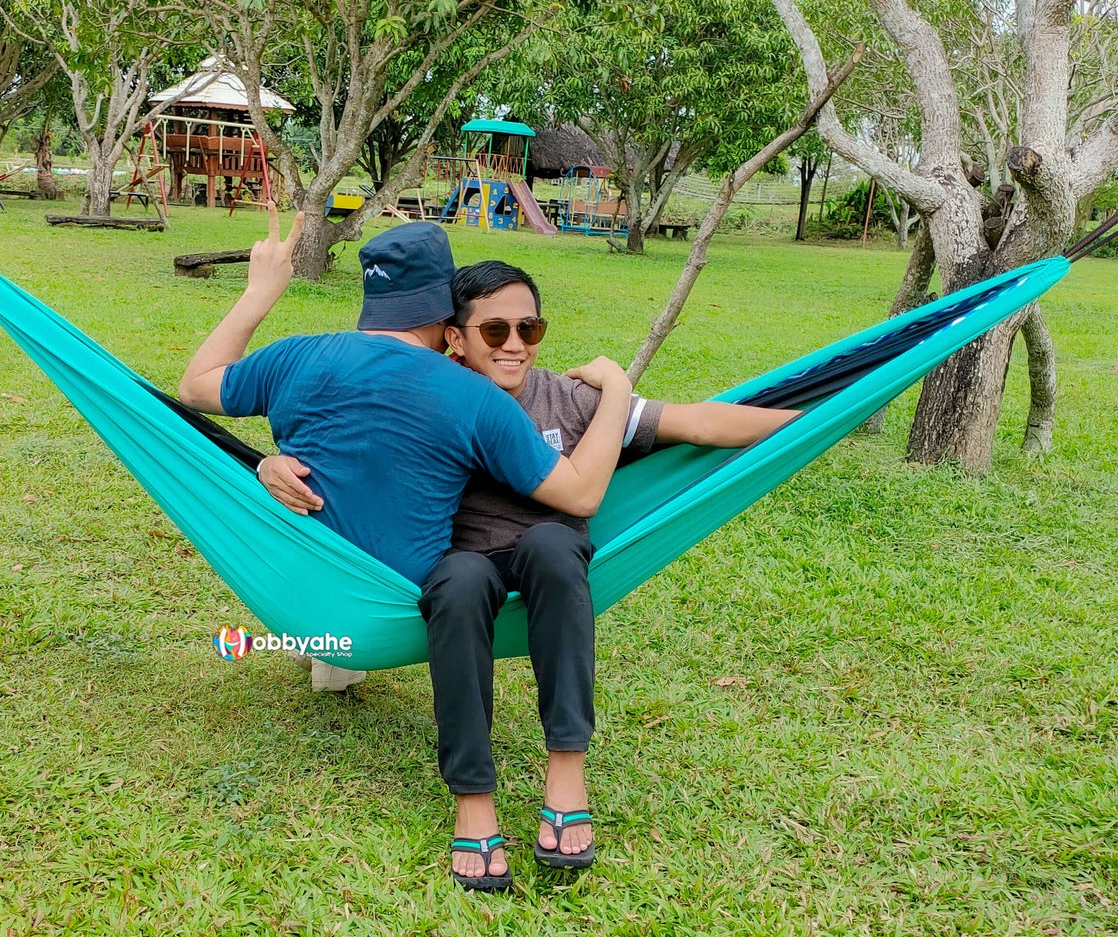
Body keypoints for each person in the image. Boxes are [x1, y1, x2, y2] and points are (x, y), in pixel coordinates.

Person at [259, 258, 799, 886]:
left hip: (548, 560)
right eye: (494, 331)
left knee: (551, 544)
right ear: (454, 339)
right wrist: (271, 465)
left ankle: (567, 771)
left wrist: (819, 424)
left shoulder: (570, 399)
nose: (514, 345)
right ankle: (473, 798)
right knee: (458, 584)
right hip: (459, 565)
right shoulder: (428, 395)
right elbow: (346, 452)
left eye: (529, 328)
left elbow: (702, 421)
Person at [177, 211, 634, 891]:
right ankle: (556, 774)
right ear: (443, 310)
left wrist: (260, 292)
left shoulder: (296, 356)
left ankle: (461, 790)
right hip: (411, 593)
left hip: (316, 592)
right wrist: (617, 389)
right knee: (519, 553)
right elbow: (580, 493)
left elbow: (192, 388)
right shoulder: (471, 396)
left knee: (516, 557)